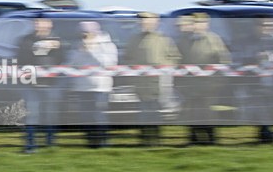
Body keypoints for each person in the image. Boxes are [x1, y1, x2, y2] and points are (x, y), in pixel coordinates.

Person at [122, 12, 180, 146]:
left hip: (158, 84)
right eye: (142, 21)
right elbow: (127, 58)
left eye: (147, 20)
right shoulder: (134, 40)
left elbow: (175, 58)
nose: (143, 23)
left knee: (155, 111)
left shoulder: (164, 39)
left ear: (155, 22)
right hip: (141, 84)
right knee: (143, 112)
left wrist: (165, 69)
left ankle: (156, 140)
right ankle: (144, 140)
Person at [176, 12, 231, 145]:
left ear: (206, 24)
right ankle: (193, 139)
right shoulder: (184, 41)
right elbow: (178, 61)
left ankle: (211, 139)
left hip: (208, 86)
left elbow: (224, 61)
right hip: (190, 86)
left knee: (207, 113)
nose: (197, 26)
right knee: (191, 113)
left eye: (200, 23)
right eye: (194, 23)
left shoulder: (214, 40)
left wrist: (217, 82)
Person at [15, 16, 65, 153]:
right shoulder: (26, 40)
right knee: (32, 114)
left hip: (51, 83)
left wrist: (57, 48)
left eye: (42, 22)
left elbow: (62, 60)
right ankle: (30, 145)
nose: (39, 25)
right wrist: (35, 48)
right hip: (30, 84)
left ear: (50, 24)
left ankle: (50, 143)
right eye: (36, 22)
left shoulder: (57, 40)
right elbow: (21, 59)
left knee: (51, 115)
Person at [66, 21, 118, 148]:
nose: (85, 36)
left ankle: (103, 142)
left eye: (87, 33)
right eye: (83, 33)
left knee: (99, 114)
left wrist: (92, 49)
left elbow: (109, 63)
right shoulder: (77, 45)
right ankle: (91, 142)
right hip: (82, 87)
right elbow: (71, 64)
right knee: (85, 116)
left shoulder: (107, 45)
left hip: (100, 87)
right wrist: (80, 51)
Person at [243, 17, 273, 144]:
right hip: (257, 83)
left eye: (272, 25)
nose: (270, 28)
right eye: (266, 25)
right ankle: (266, 133)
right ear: (256, 27)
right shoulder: (248, 41)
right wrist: (256, 57)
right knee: (263, 107)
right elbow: (244, 57)